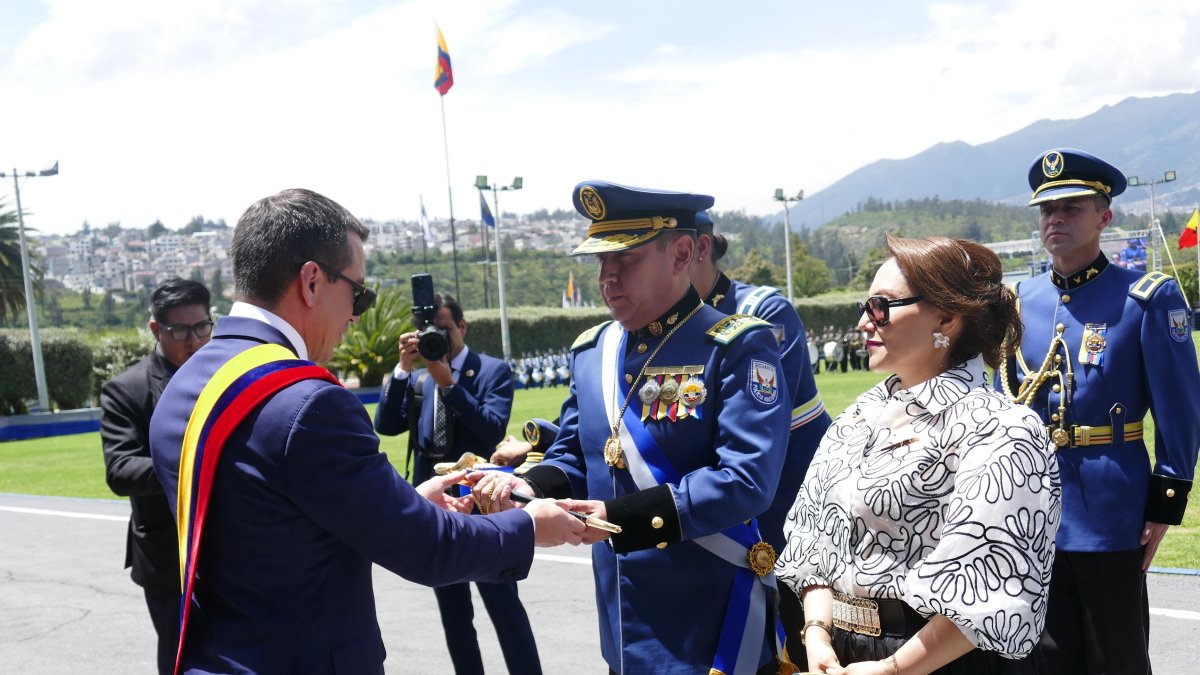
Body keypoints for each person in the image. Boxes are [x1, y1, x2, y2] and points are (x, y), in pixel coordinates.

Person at [147, 188, 585, 674]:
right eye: (358, 292)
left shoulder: (182, 388)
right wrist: (529, 525)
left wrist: (401, 500)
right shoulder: (309, 403)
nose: (357, 314)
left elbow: (275, 526)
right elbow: (427, 550)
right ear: (312, 281)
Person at [478, 181, 792, 674]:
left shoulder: (734, 347)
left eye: (625, 260)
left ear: (682, 253)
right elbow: (577, 455)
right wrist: (529, 483)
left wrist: (616, 515)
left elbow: (746, 481)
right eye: (601, 262)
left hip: (710, 631)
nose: (607, 277)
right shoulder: (592, 353)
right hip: (622, 631)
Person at [778, 234, 1061, 674]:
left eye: (880, 306)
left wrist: (894, 669)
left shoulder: (1002, 428)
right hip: (839, 654)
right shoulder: (859, 416)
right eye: (863, 307)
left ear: (947, 317)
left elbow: (990, 584)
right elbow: (814, 541)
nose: (864, 323)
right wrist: (815, 633)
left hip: (940, 662)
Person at [996, 149, 1200, 675]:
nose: (1056, 219)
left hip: (1113, 510)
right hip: (1035, 510)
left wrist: (1166, 500)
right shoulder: (1023, 301)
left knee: (1118, 658)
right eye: (1047, 211)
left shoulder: (1144, 298)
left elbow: (1180, 408)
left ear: (1104, 217)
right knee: (1045, 658)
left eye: (1071, 208)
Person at [373, 292, 541, 675]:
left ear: (462, 327)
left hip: (483, 506)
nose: (438, 337)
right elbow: (385, 425)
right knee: (453, 613)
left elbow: (491, 427)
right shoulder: (417, 380)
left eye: (444, 329)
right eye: (428, 330)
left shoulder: (491, 371)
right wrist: (401, 369)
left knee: (504, 606)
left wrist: (449, 384)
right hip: (435, 507)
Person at [691, 209, 831, 664]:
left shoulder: (761, 313)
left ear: (700, 248)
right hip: (719, 524)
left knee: (794, 652)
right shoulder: (670, 328)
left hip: (784, 529)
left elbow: (749, 431)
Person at [100, 278, 212, 675]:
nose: (195, 340)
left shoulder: (228, 375)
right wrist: (195, 466)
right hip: (168, 559)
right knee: (181, 659)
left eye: (202, 327)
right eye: (180, 331)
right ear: (155, 330)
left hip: (233, 546)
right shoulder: (125, 390)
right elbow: (120, 470)